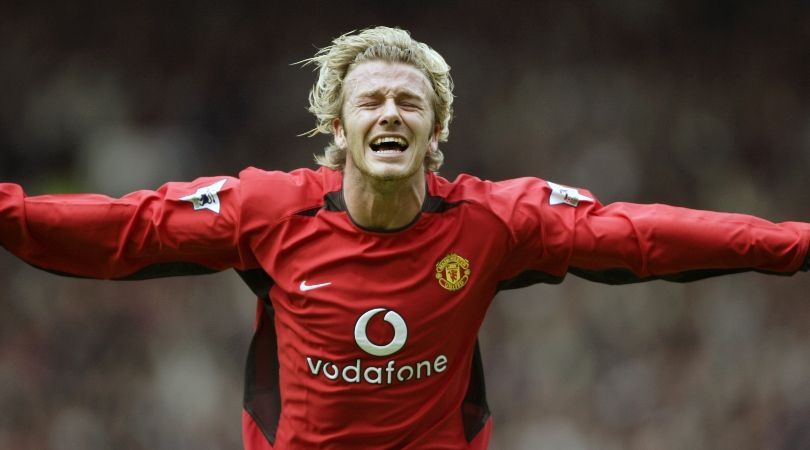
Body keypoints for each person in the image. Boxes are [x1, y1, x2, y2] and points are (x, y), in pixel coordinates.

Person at [1, 26, 808, 450]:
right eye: (372, 100)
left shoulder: (492, 220)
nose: (391, 112)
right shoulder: (270, 210)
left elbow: (639, 235)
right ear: (338, 127)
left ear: (436, 129)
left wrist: (795, 242)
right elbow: (126, 228)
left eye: (410, 102)